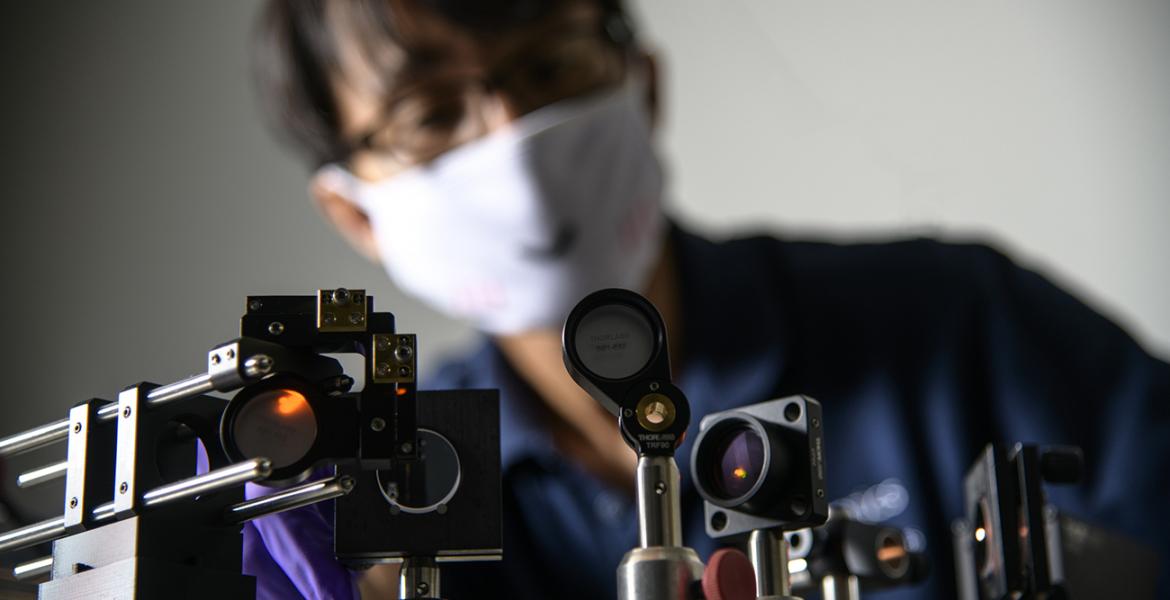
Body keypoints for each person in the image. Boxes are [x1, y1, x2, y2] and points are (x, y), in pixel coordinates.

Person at [247, 1, 1170, 598]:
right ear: (352, 211)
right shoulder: (394, 500)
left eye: (547, 68)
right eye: (429, 114)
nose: (513, 140)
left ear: (642, 85)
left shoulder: (958, 320)